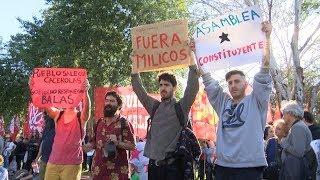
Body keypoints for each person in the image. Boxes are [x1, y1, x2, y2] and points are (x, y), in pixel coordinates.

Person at [200, 21, 272, 180]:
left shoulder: (257, 100)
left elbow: (265, 67)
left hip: (249, 168)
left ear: (246, 84)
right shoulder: (223, 102)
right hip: (223, 167)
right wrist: (195, 52)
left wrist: (267, 37)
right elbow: (206, 78)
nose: (233, 85)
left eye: (237, 81)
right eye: (230, 82)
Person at [131, 53, 200, 179]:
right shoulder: (154, 106)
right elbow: (139, 90)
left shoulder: (181, 107)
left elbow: (192, 88)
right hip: (154, 167)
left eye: (167, 85)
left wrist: (192, 64)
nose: (163, 88)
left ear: (174, 87)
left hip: (173, 169)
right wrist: (135, 70)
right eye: (161, 85)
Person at [42, 80, 91, 180]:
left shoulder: (80, 117)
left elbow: (87, 108)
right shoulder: (58, 115)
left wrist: (85, 92)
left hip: (72, 164)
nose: (70, 98)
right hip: (53, 162)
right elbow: (44, 103)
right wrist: (35, 87)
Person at [85, 91, 135, 180]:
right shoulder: (99, 122)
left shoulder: (124, 123)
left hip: (118, 173)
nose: (108, 103)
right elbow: (93, 143)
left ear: (119, 105)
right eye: (107, 101)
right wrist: (81, 147)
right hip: (99, 172)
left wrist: (117, 143)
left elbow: (132, 146)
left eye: (112, 101)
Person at [279, 101, 313, 180]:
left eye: (284, 114)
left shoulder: (298, 127)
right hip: (293, 169)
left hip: (294, 170)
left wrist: (284, 143)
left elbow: (298, 152)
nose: (283, 117)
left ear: (291, 113)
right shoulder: (297, 126)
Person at [34, 112, 55, 180]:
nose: (44, 118)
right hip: (44, 160)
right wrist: (37, 158)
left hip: (53, 161)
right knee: (41, 177)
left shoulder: (58, 129)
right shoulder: (46, 129)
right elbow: (42, 144)